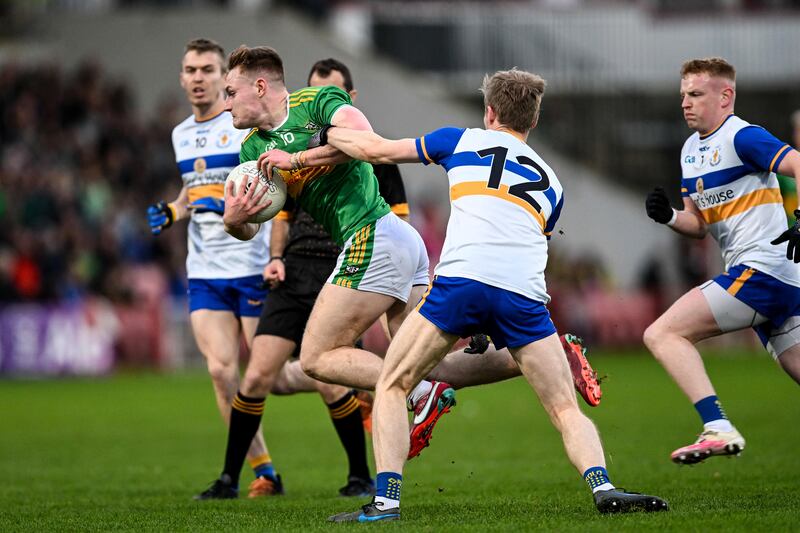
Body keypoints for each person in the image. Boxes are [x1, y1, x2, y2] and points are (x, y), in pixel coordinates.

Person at [317, 68, 667, 522]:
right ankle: (604, 487)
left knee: (393, 383)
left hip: (461, 283)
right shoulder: (553, 183)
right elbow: (521, 242)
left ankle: (385, 502)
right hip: (524, 295)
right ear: (533, 121)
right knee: (564, 406)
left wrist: (324, 132)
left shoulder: (458, 140)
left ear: (489, 112)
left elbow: (375, 150)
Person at [195, 57, 411, 500]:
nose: (224, 102)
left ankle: (369, 464)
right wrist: (234, 221)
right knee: (264, 375)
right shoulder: (253, 151)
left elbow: (365, 143)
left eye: (230, 92)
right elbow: (260, 222)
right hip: (300, 265)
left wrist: (295, 158)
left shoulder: (320, 105)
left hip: (361, 248)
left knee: (324, 365)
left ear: (259, 86)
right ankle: (231, 478)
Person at [643, 57, 800, 466]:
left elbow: (798, 163)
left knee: (663, 334)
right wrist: (668, 216)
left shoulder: (742, 136)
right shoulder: (689, 151)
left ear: (725, 96)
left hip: (764, 271)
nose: (685, 103)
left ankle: (717, 427)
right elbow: (698, 224)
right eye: (683, 95)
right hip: (775, 276)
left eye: (695, 94)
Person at [146, 39, 279, 498]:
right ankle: (264, 471)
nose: (198, 78)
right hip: (204, 271)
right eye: (191, 70)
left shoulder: (243, 126)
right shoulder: (181, 134)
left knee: (277, 376)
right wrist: (173, 211)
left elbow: (270, 186)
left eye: (207, 69)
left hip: (252, 265)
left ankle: (349, 391)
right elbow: (194, 190)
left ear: (224, 77)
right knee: (222, 372)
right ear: (182, 78)